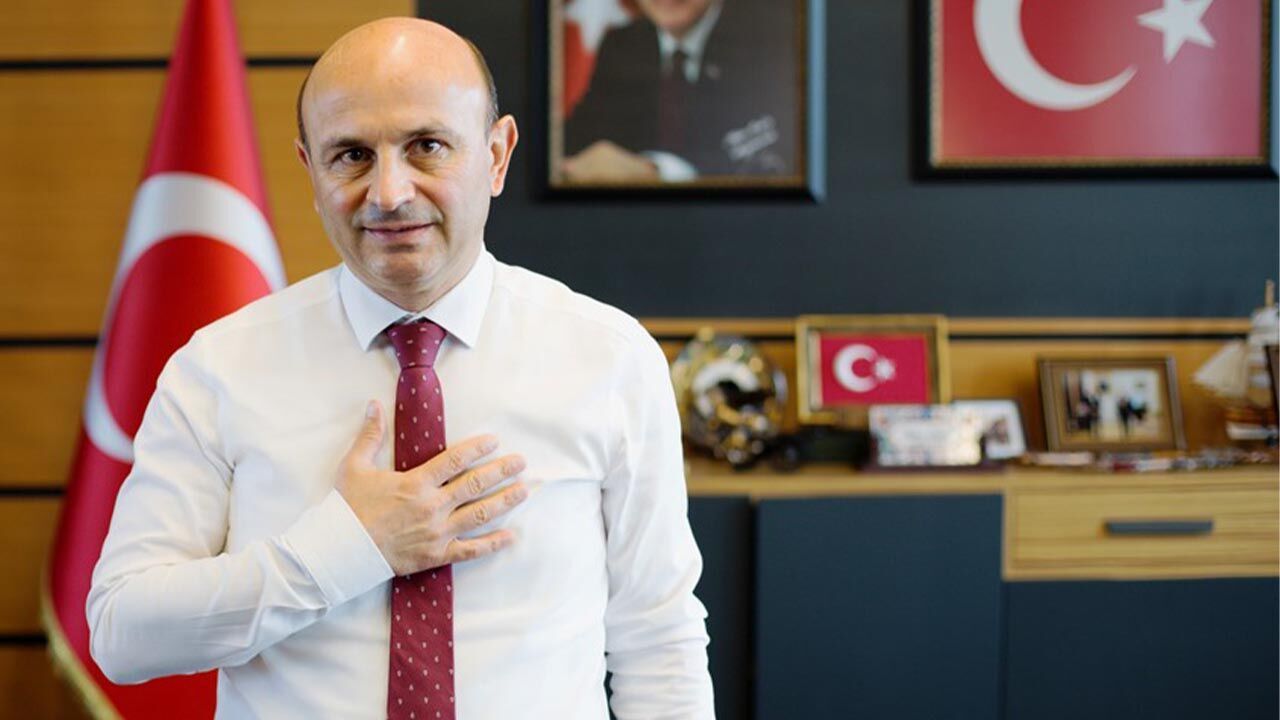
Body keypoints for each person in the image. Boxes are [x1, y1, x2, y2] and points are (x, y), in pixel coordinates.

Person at [87, 17, 714, 720]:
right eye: (351, 155)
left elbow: (658, 642)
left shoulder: (610, 356)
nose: (388, 192)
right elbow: (122, 633)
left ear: (496, 155)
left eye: (427, 147)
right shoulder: (219, 367)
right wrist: (344, 549)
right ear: (311, 170)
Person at [561, 0, 798, 182]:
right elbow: (572, 142)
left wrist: (656, 174)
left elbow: (773, 156)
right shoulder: (622, 45)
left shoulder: (774, 37)